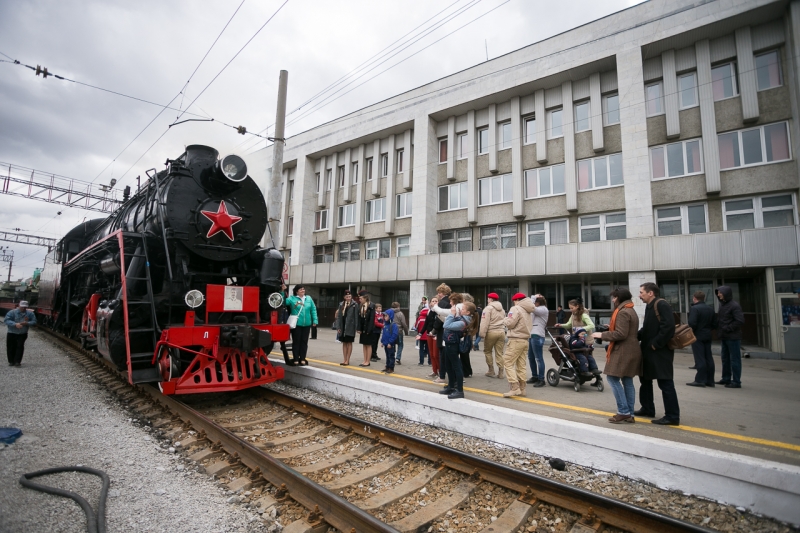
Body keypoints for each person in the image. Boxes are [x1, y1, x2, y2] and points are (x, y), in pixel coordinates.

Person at [592, 288, 641, 424]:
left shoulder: (623, 312)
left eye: (614, 298)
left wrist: (602, 334)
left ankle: (623, 411)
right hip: (632, 349)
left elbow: (621, 334)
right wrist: (611, 328)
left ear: (618, 297)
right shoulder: (630, 309)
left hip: (623, 350)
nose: (613, 300)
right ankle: (629, 414)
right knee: (627, 381)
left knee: (612, 378)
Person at [635, 282, 680, 426]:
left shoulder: (661, 304)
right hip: (649, 351)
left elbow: (668, 327)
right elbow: (647, 328)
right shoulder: (650, 306)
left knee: (665, 383)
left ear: (650, 293)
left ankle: (672, 416)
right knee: (645, 380)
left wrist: (656, 344)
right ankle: (647, 408)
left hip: (660, 352)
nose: (639, 295)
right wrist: (635, 336)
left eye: (641, 292)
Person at [439, 302, 478, 399]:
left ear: (468, 312)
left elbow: (446, 325)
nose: (460, 310)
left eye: (463, 309)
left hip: (453, 345)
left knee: (456, 367)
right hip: (449, 343)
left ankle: (459, 390)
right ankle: (451, 386)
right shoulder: (461, 318)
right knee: (448, 365)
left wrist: (452, 314)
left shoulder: (463, 322)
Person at [502, 293, 534, 397]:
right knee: (521, 365)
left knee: (507, 361)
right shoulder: (527, 310)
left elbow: (510, 323)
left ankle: (515, 387)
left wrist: (504, 319)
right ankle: (522, 388)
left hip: (515, 339)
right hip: (525, 340)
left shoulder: (515, 308)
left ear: (516, 300)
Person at [555, 298, 598, 376]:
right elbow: (569, 324)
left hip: (586, 340)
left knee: (587, 357)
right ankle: (588, 373)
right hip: (577, 340)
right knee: (583, 358)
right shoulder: (573, 315)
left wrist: (581, 329)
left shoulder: (584, 315)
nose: (570, 310)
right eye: (569, 308)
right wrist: (560, 325)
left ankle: (594, 374)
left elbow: (591, 325)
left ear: (577, 306)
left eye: (572, 308)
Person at [716, 285, 745, 389]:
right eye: (718, 293)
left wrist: (728, 328)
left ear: (726, 293)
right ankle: (726, 378)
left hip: (733, 337)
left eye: (720, 292)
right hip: (724, 336)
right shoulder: (722, 305)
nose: (718, 294)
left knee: (734, 359)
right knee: (725, 358)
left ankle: (736, 381)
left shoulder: (734, 305)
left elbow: (740, 320)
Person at [687, 291, 716, 387]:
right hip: (708, 334)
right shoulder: (710, 309)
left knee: (700, 358)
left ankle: (700, 380)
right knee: (708, 357)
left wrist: (693, 332)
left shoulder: (695, 309)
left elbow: (692, 323)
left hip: (697, 335)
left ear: (694, 298)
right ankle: (710, 380)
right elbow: (715, 324)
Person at [284, 285, 317, 366]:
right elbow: (283, 302)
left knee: (304, 342)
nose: (303, 290)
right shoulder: (292, 299)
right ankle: (295, 359)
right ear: (296, 291)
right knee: (296, 341)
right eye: (300, 289)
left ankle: (302, 358)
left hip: (307, 324)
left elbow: (313, 309)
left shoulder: (308, 298)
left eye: (303, 289)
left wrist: (315, 320)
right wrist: (282, 291)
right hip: (296, 324)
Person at [479, 292, 505, 378]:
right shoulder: (502, 309)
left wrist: (482, 334)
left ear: (490, 299)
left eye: (488, 298)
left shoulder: (488, 309)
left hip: (491, 332)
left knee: (488, 351)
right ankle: (501, 372)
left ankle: (491, 370)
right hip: (501, 332)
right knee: (499, 353)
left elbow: (484, 322)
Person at [430, 284, 452, 383]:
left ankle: (442, 376)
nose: (438, 294)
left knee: (442, 355)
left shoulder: (443, 303)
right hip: (450, 331)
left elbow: (439, 317)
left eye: (439, 292)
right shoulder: (450, 301)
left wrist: (434, 329)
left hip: (443, 331)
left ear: (441, 293)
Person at [5, 300, 36, 367]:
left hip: (23, 333)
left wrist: (27, 323)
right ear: (19, 306)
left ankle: (17, 361)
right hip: (12, 332)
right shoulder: (12, 312)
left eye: (25, 307)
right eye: (22, 307)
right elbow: (6, 320)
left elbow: (34, 321)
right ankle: (11, 361)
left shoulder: (30, 314)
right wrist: (15, 324)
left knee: (20, 346)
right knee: (11, 346)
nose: (23, 308)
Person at [527, 294, 548, 387]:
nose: (534, 304)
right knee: (531, 357)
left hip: (538, 335)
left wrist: (533, 297)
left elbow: (530, 307)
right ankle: (534, 376)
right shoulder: (537, 310)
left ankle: (541, 379)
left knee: (539, 358)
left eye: (535, 302)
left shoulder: (543, 309)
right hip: (532, 335)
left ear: (538, 302)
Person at [335, 290, 358, 366]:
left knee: (349, 342)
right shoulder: (341, 304)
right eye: (347, 297)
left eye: (350, 296)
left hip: (350, 326)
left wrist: (356, 327)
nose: (348, 298)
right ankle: (344, 359)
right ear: (344, 297)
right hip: (343, 325)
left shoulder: (354, 304)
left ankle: (348, 360)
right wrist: (338, 327)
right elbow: (339, 317)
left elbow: (356, 317)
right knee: (344, 343)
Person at [356, 290, 378, 366]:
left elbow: (371, 319)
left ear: (365, 298)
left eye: (361, 298)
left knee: (368, 345)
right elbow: (360, 318)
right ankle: (364, 360)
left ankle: (368, 361)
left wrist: (369, 330)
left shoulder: (371, 305)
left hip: (368, 329)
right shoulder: (361, 306)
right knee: (364, 344)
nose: (360, 300)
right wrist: (359, 328)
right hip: (362, 328)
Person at [424, 297, 441, 379]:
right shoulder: (429, 311)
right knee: (431, 354)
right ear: (430, 303)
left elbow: (439, 324)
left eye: (436, 301)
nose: (434, 302)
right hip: (429, 334)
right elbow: (426, 323)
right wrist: (420, 333)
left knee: (436, 354)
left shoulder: (439, 312)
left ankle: (441, 372)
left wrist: (434, 333)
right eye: (433, 301)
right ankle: (434, 371)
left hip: (436, 335)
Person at [380, 309, 400, 374]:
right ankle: (387, 366)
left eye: (386, 316)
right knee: (387, 356)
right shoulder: (385, 324)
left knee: (391, 356)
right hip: (386, 343)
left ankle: (391, 368)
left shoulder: (393, 325)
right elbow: (384, 334)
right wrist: (382, 341)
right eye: (384, 316)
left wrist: (390, 342)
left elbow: (394, 335)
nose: (384, 317)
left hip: (390, 344)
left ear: (390, 316)